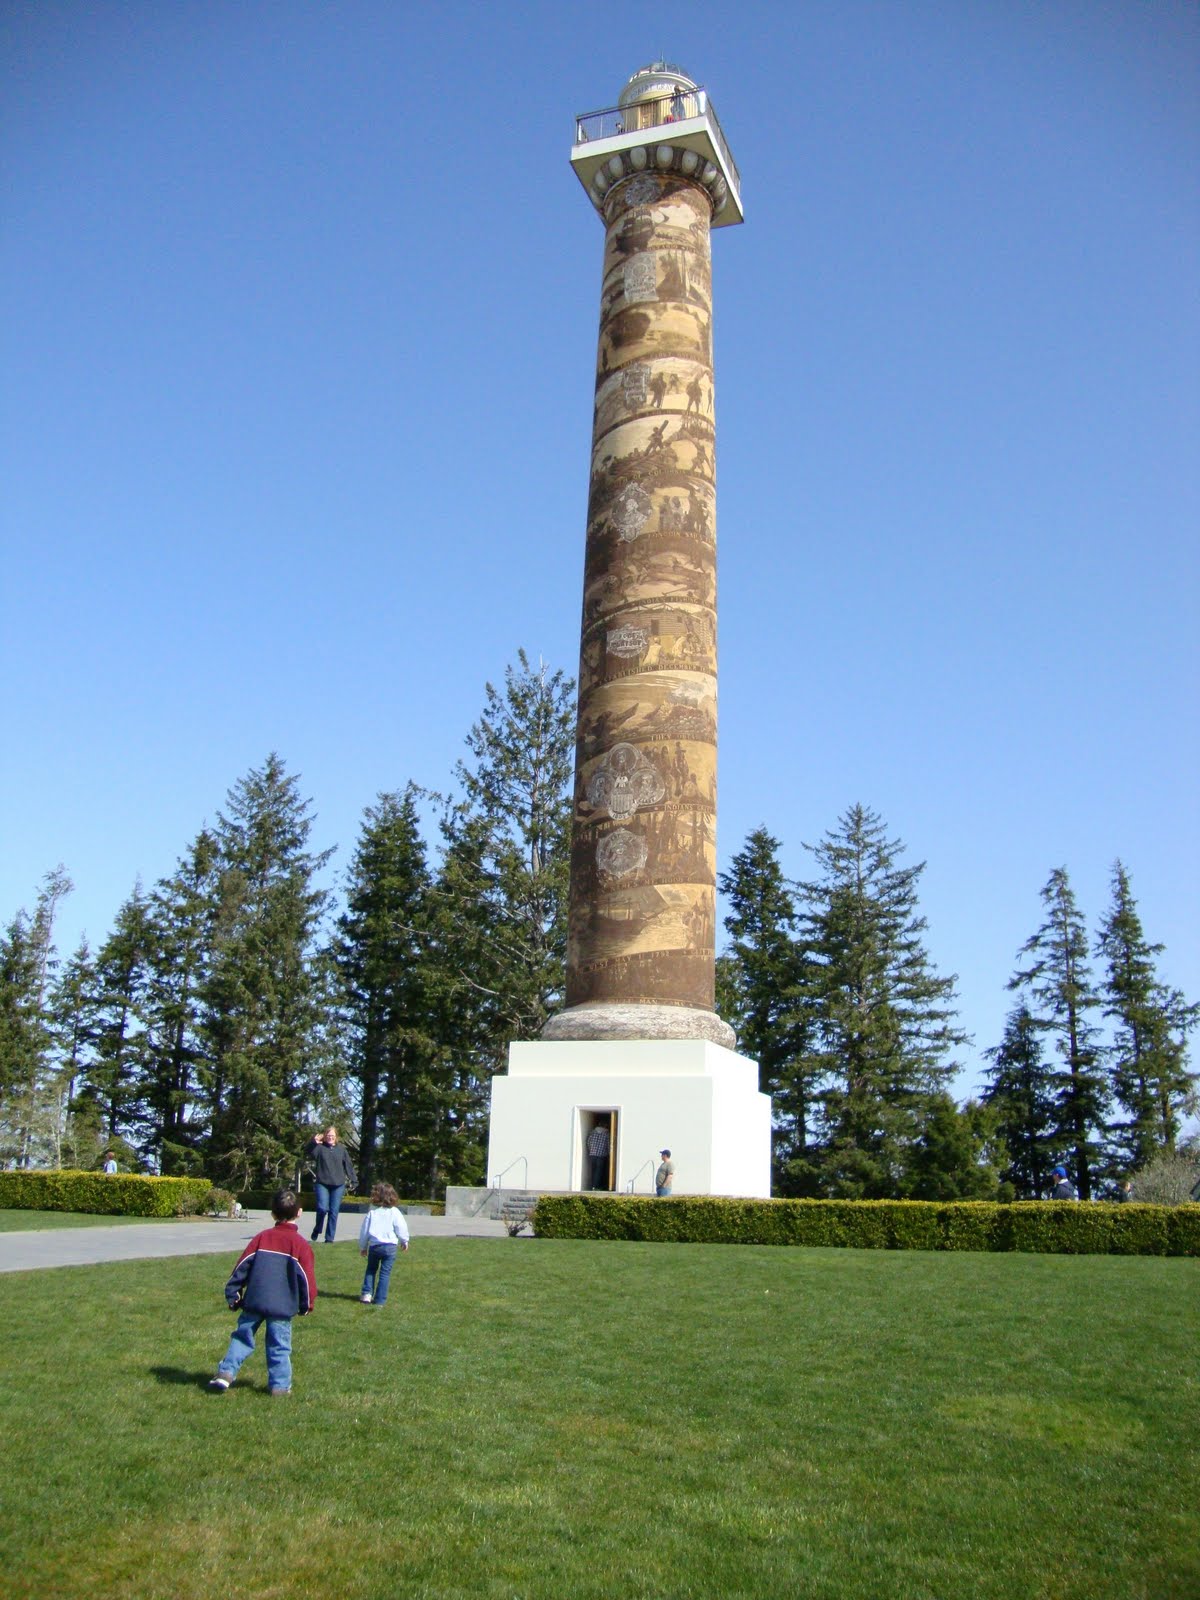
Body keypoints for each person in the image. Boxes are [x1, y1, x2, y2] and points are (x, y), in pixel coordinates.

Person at [209, 1188, 316, 1396]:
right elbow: (307, 1280)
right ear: (299, 1213)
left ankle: (226, 1373)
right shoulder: (301, 1245)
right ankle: (280, 1386)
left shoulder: (262, 1238)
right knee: (279, 1346)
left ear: (273, 1214)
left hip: (255, 1299)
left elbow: (242, 1267)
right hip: (282, 1307)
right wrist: (306, 1305)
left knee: (242, 1337)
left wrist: (234, 1293)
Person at [358, 1181, 410, 1305]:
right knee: (385, 1273)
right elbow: (401, 1227)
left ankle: (366, 1294)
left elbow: (364, 1231)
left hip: (375, 1246)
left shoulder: (372, 1212)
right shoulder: (395, 1212)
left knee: (371, 1270)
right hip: (390, 1246)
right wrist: (404, 1240)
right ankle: (380, 1300)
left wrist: (363, 1247)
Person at [304, 1125, 357, 1243]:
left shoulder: (341, 1149)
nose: (330, 1137)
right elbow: (307, 1152)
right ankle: (317, 1228)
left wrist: (353, 1179)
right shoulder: (319, 1148)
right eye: (328, 1135)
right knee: (322, 1208)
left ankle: (329, 1238)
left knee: (334, 1212)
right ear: (325, 1136)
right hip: (322, 1183)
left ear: (336, 1137)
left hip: (338, 1185)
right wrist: (313, 1142)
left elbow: (348, 1165)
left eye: (332, 1135)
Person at [586, 1121, 611, 1190]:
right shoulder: (606, 1134)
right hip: (601, 1155)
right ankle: (596, 1186)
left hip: (592, 1154)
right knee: (599, 1171)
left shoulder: (592, 1132)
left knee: (593, 1170)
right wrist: (609, 1154)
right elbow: (609, 1145)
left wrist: (591, 1150)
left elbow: (588, 1142)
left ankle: (592, 1185)